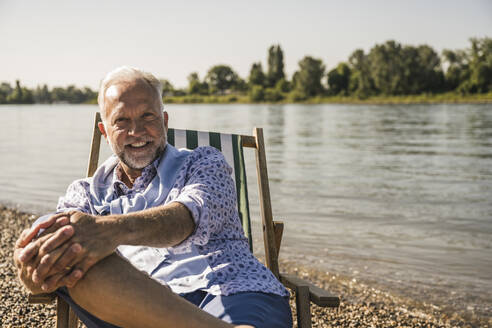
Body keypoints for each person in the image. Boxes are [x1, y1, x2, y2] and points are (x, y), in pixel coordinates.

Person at [13, 67, 292, 328]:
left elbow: (183, 220)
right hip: (139, 302)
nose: (137, 132)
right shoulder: (85, 194)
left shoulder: (204, 163)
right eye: (122, 121)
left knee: (76, 241)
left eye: (148, 117)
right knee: (69, 249)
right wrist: (35, 264)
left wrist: (105, 231)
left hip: (228, 286)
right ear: (105, 131)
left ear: (165, 121)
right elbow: (45, 268)